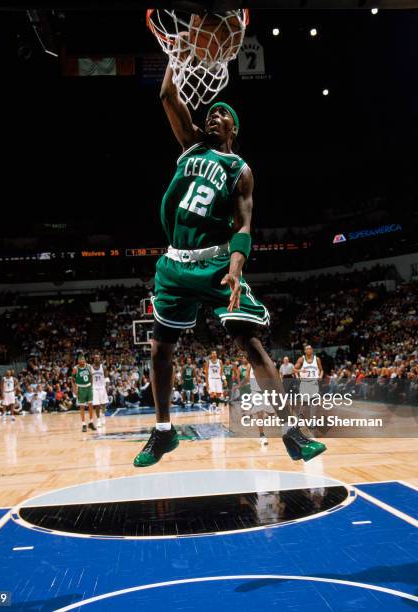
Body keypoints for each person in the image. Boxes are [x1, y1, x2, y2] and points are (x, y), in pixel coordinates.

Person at [133, 63, 326, 467]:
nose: (212, 117)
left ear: (233, 128)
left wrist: (236, 268)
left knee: (251, 344)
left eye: (221, 114)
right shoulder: (191, 146)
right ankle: (164, 432)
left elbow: (243, 227)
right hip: (174, 263)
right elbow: (168, 95)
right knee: (159, 349)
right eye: (210, 113)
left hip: (217, 264)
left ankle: (292, 433)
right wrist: (177, 53)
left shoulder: (240, 171)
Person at [71, 354, 97, 433]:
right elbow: (72, 379)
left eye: (83, 359)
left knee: (91, 405)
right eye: (81, 359)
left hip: (88, 387)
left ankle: (91, 422)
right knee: (82, 406)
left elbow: (91, 376)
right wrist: (74, 389)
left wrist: (91, 386)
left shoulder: (89, 366)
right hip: (80, 388)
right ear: (78, 361)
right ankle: (83, 424)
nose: (82, 360)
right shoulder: (76, 368)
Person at [91, 353, 109, 427]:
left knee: (104, 403)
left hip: (102, 387)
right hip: (94, 388)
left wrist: (107, 386)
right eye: (95, 358)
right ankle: (98, 420)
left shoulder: (103, 367)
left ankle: (103, 414)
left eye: (98, 358)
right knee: (96, 404)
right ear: (93, 359)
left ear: (100, 359)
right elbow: (89, 378)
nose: (96, 359)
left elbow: (106, 377)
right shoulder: (91, 368)